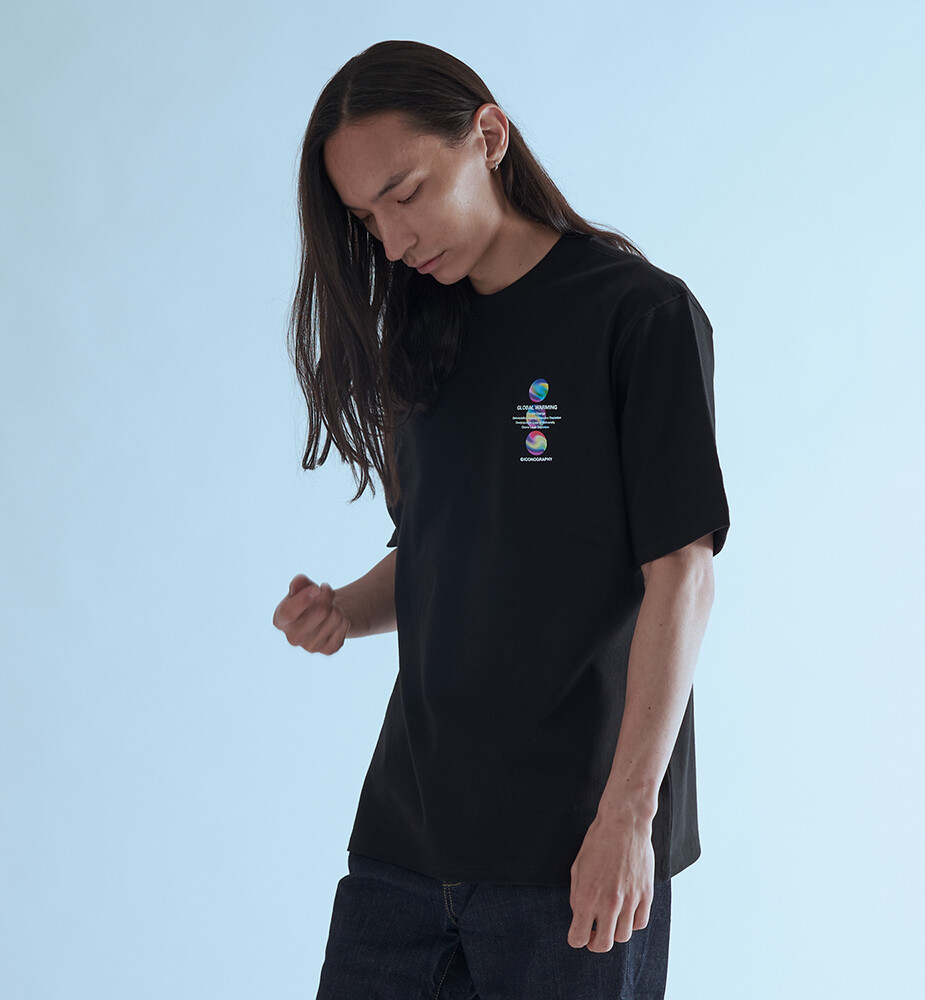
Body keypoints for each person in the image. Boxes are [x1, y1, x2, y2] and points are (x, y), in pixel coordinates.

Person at [271, 39, 731, 1000]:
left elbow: (682, 573)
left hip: (571, 849)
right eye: (366, 219)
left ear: (487, 137)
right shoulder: (419, 337)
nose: (392, 240)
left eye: (405, 194)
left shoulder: (638, 316)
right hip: (404, 838)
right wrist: (344, 610)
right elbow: (443, 552)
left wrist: (628, 817)